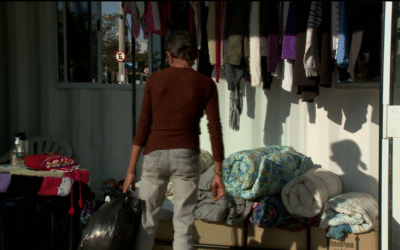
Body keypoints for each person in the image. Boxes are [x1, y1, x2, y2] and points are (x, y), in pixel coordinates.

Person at [122, 30, 226, 250]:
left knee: (147, 223)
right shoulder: (206, 84)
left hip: (154, 156)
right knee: (183, 225)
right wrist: (218, 173)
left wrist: (131, 170)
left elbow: (143, 126)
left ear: (169, 55)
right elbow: (214, 129)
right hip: (186, 156)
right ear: (194, 56)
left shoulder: (154, 80)